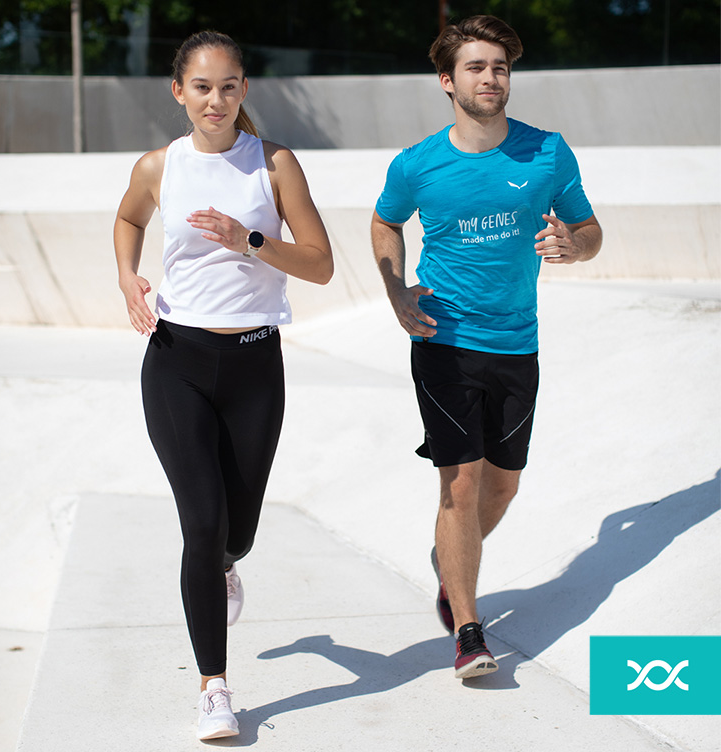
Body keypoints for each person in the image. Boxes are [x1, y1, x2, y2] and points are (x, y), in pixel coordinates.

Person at [114, 31, 333, 739]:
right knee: (201, 526)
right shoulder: (159, 167)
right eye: (203, 87)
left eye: (230, 85)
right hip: (175, 360)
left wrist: (252, 242)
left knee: (237, 531)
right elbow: (127, 218)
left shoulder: (273, 166)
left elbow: (323, 264)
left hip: (254, 366)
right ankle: (215, 686)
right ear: (179, 92)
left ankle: (227, 564)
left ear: (245, 90)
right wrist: (127, 275)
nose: (217, 99)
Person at [371, 15, 602, 680]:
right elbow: (385, 221)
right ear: (447, 81)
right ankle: (469, 631)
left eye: (500, 67)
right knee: (462, 483)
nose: (491, 78)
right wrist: (396, 294)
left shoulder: (548, 152)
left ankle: (450, 561)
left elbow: (589, 229)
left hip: (516, 344)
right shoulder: (417, 164)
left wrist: (574, 245)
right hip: (444, 340)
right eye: (476, 67)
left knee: (502, 486)